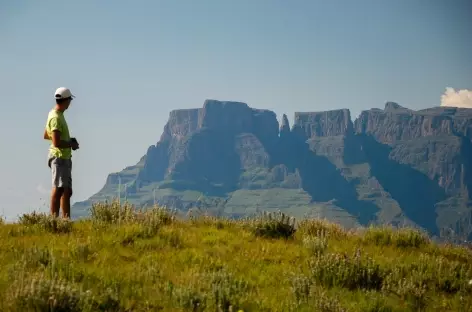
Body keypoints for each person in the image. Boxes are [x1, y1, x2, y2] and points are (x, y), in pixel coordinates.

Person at [43, 87, 79, 218]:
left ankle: (65, 220)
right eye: (70, 100)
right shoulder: (56, 118)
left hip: (63, 157)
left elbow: (47, 135)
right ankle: (54, 220)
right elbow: (56, 143)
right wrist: (71, 144)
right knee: (58, 189)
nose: (70, 103)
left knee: (67, 191)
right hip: (59, 158)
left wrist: (68, 140)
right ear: (66, 100)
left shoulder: (55, 115)